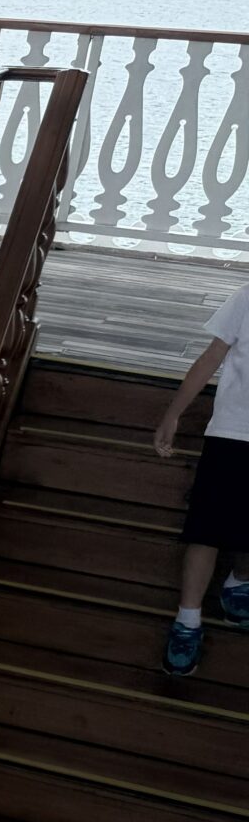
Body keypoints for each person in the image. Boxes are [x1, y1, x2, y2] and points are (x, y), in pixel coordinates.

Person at [153, 283, 249, 677]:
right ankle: (187, 621)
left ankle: (239, 582)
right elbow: (212, 356)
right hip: (231, 432)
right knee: (205, 530)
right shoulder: (247, 297)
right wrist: (173, 413)